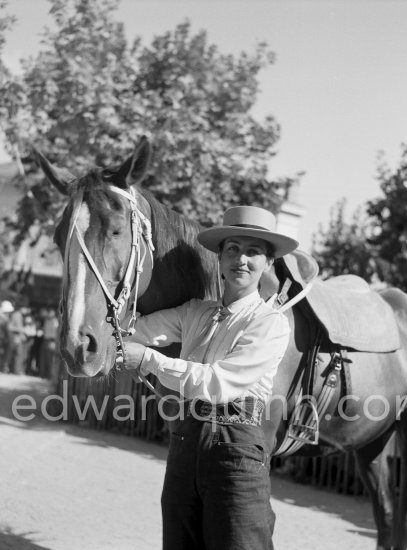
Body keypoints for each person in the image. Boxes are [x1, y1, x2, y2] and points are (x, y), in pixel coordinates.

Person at [123, 206, 297, 550]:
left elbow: (218, 383)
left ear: (268, 264)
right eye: (232, 249)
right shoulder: (195, 312)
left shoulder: (269, 323)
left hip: (236, 447)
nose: (241, 259)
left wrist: (147, 360)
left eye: (253, 252)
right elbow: (139, 330)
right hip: (185, 442)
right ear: (219, 258)